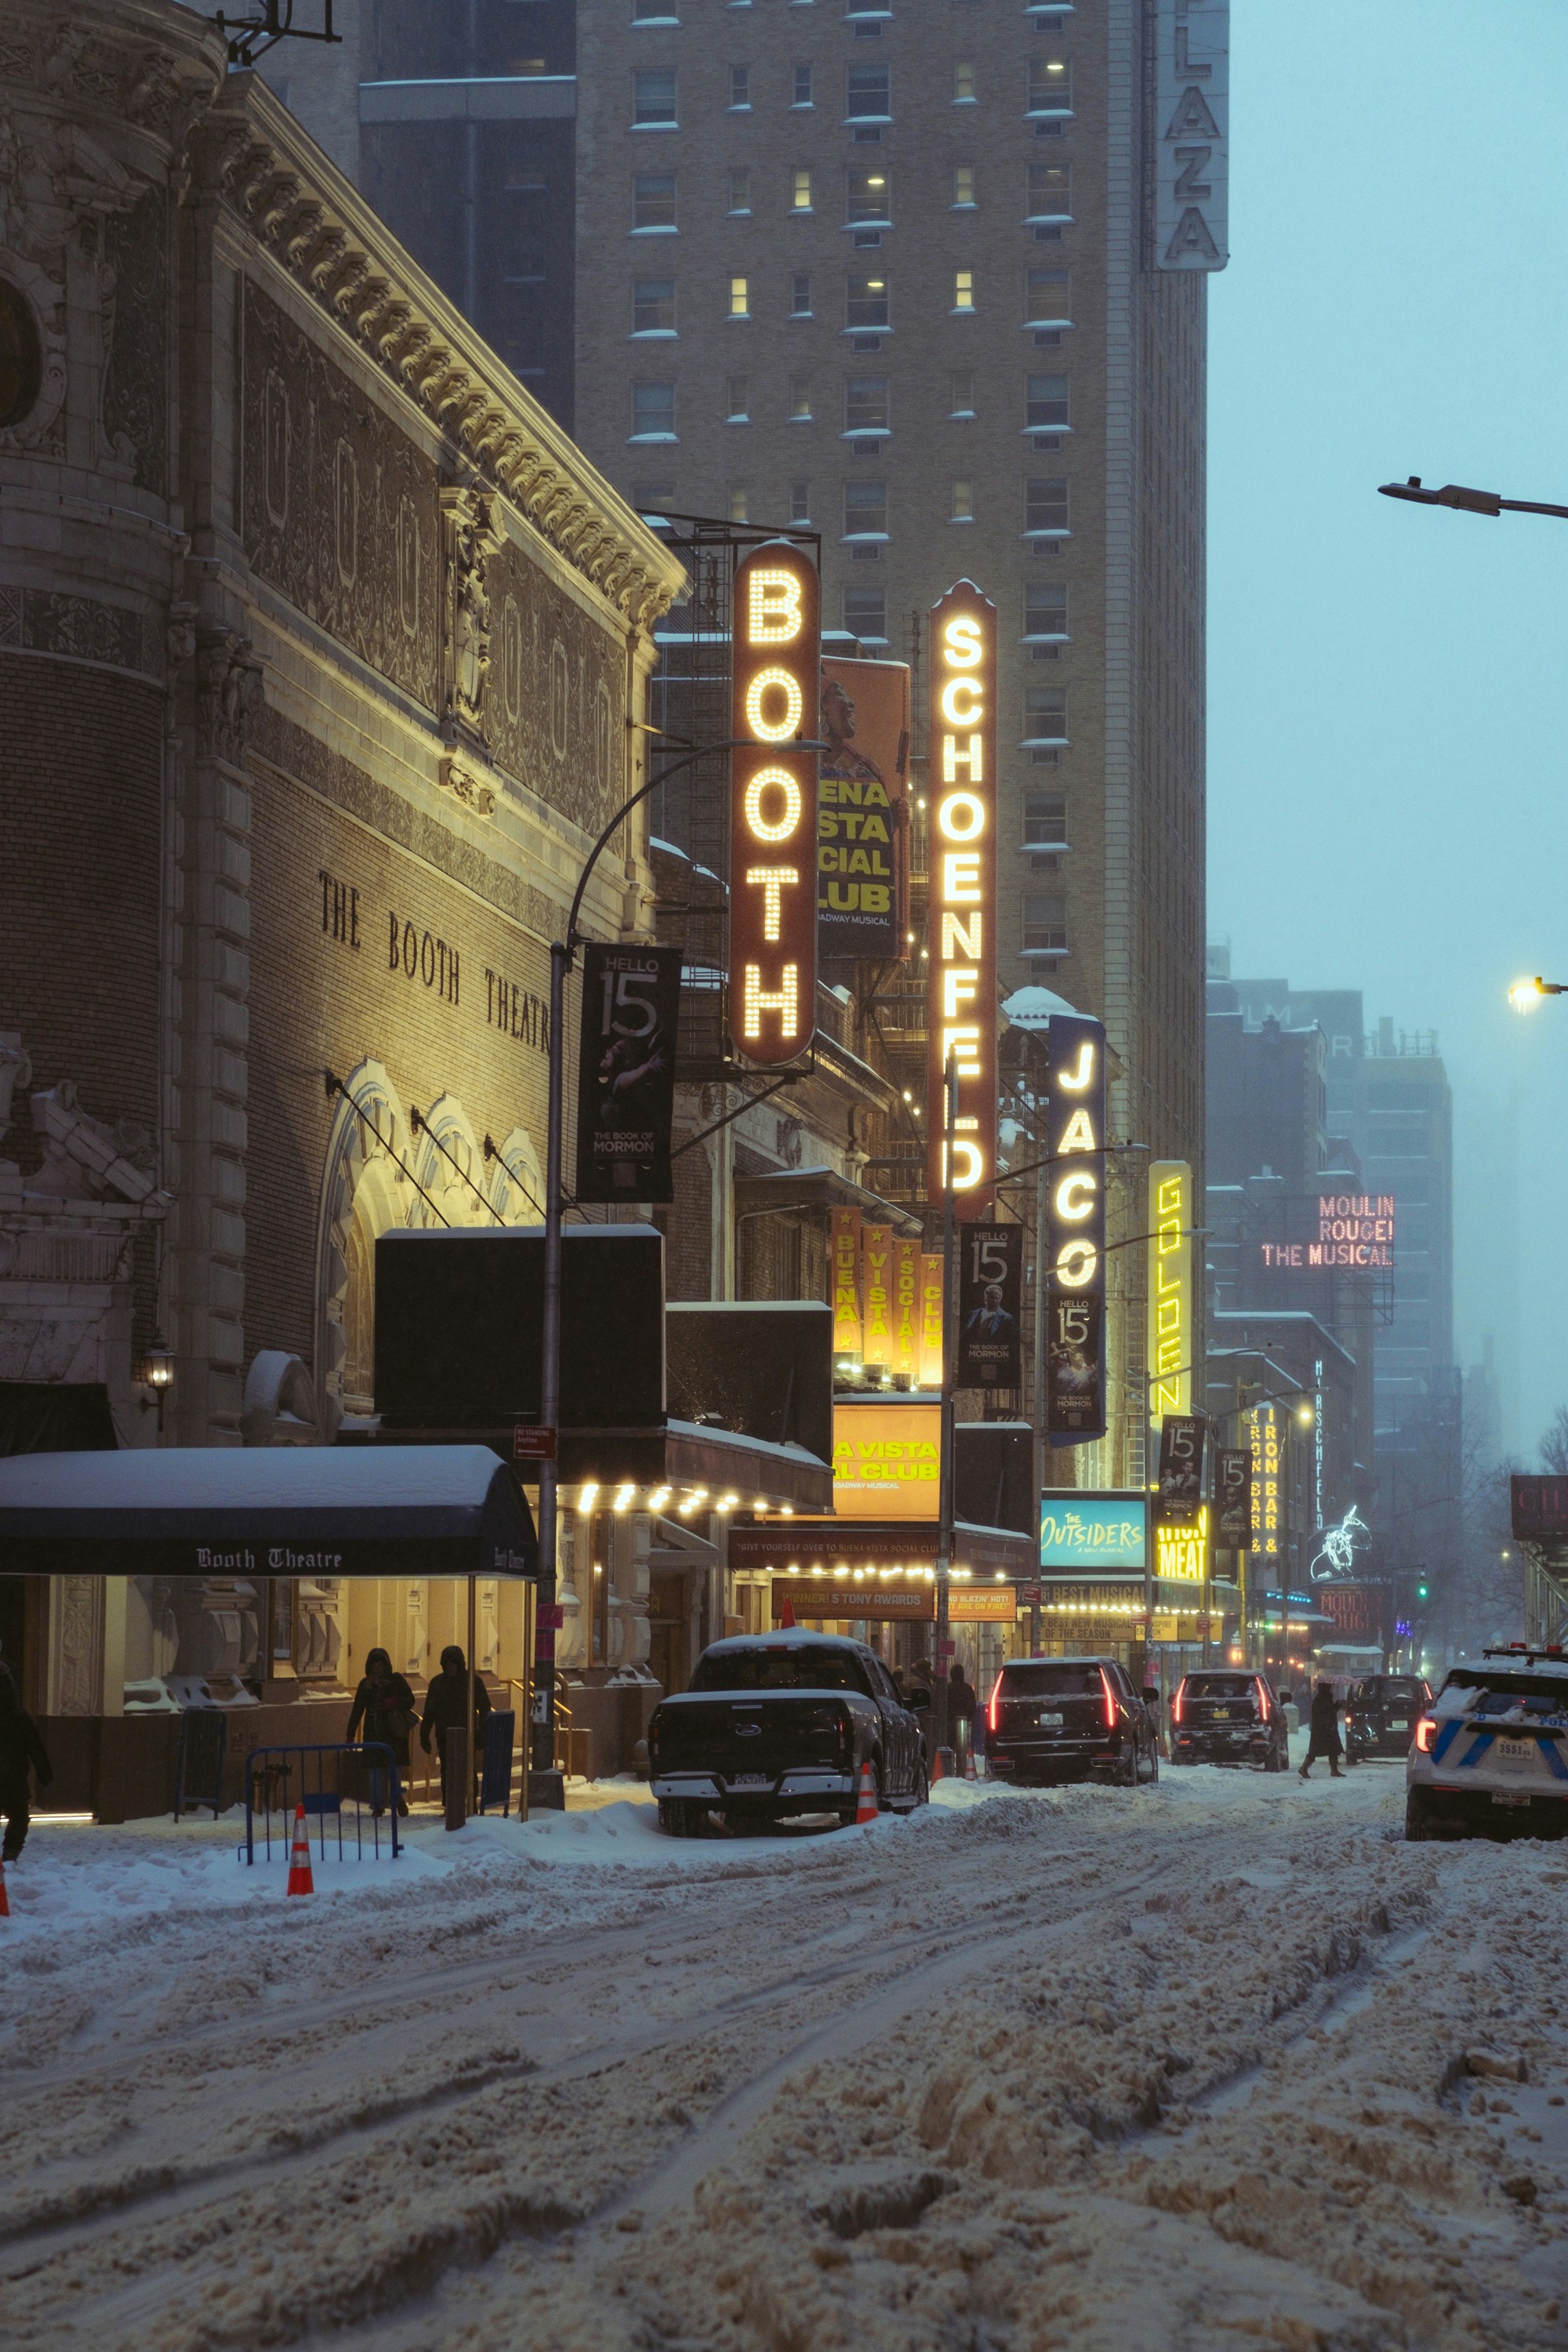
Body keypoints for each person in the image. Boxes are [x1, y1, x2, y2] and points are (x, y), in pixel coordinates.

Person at [347, 1646, 416, 1817]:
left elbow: (410, 1700)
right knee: (375, 1772)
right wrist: (350, 1733)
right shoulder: (365, 1685)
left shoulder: (396, 1681)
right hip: (373, 1734)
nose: (377, 1669)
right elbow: (357, 1710)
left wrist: (395, 1701)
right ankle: (377, 1806)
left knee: (394, 1770)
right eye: (374, 1665)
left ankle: (397, 1799)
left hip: (393, 1734)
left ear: (386, 1666)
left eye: (380, 1665)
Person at [420, 1645, 492, 1806]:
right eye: (447, 1664)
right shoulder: (438, 1683)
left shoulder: (472, 1682)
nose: (451, 1667)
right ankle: (450, 1803)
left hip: (468, 1733)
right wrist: (424, 1734)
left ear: (460, 1664)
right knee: (447, 1768)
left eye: (454, 1663)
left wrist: (481, 1732)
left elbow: (485, 1707)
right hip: (445, 1734)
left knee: (468, 1768)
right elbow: (430, 1710)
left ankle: (471, 1801)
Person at [0, 1659, 53, 1864]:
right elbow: (35, 1746)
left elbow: (34, 1745)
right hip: (14, 1779)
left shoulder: (19, 1717)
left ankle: (10, 1854)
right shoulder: (19, 1717)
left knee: (20, 1819)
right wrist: (45, 1773)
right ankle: (10, 1854)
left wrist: (45, 1772)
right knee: (20, 1819)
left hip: (13, 1779)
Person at [1298, 1677, 1344, 1780]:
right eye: (1330, 1687)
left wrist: (1337, 1706)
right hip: (1322, 1730)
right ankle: (1304, 1768)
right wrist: (1328, 1723)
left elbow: (1330, 1712)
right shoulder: (1321, 1699)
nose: (1331, 1688)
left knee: (1333, 1750)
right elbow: (1322, 1714)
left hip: (1328, 1729)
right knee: (1315, 1751)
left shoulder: (1326, 1698)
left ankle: (1334, 1770)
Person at [949, 1661, 978, 1771]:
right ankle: (962, 1768)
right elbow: (973, 1706)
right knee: (962, 1748)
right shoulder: (967, 1689)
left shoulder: (948, 1689)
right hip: (963, 1722)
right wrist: (968, 1718)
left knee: (950, 1746)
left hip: (950, 1722)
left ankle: (950, 1768)